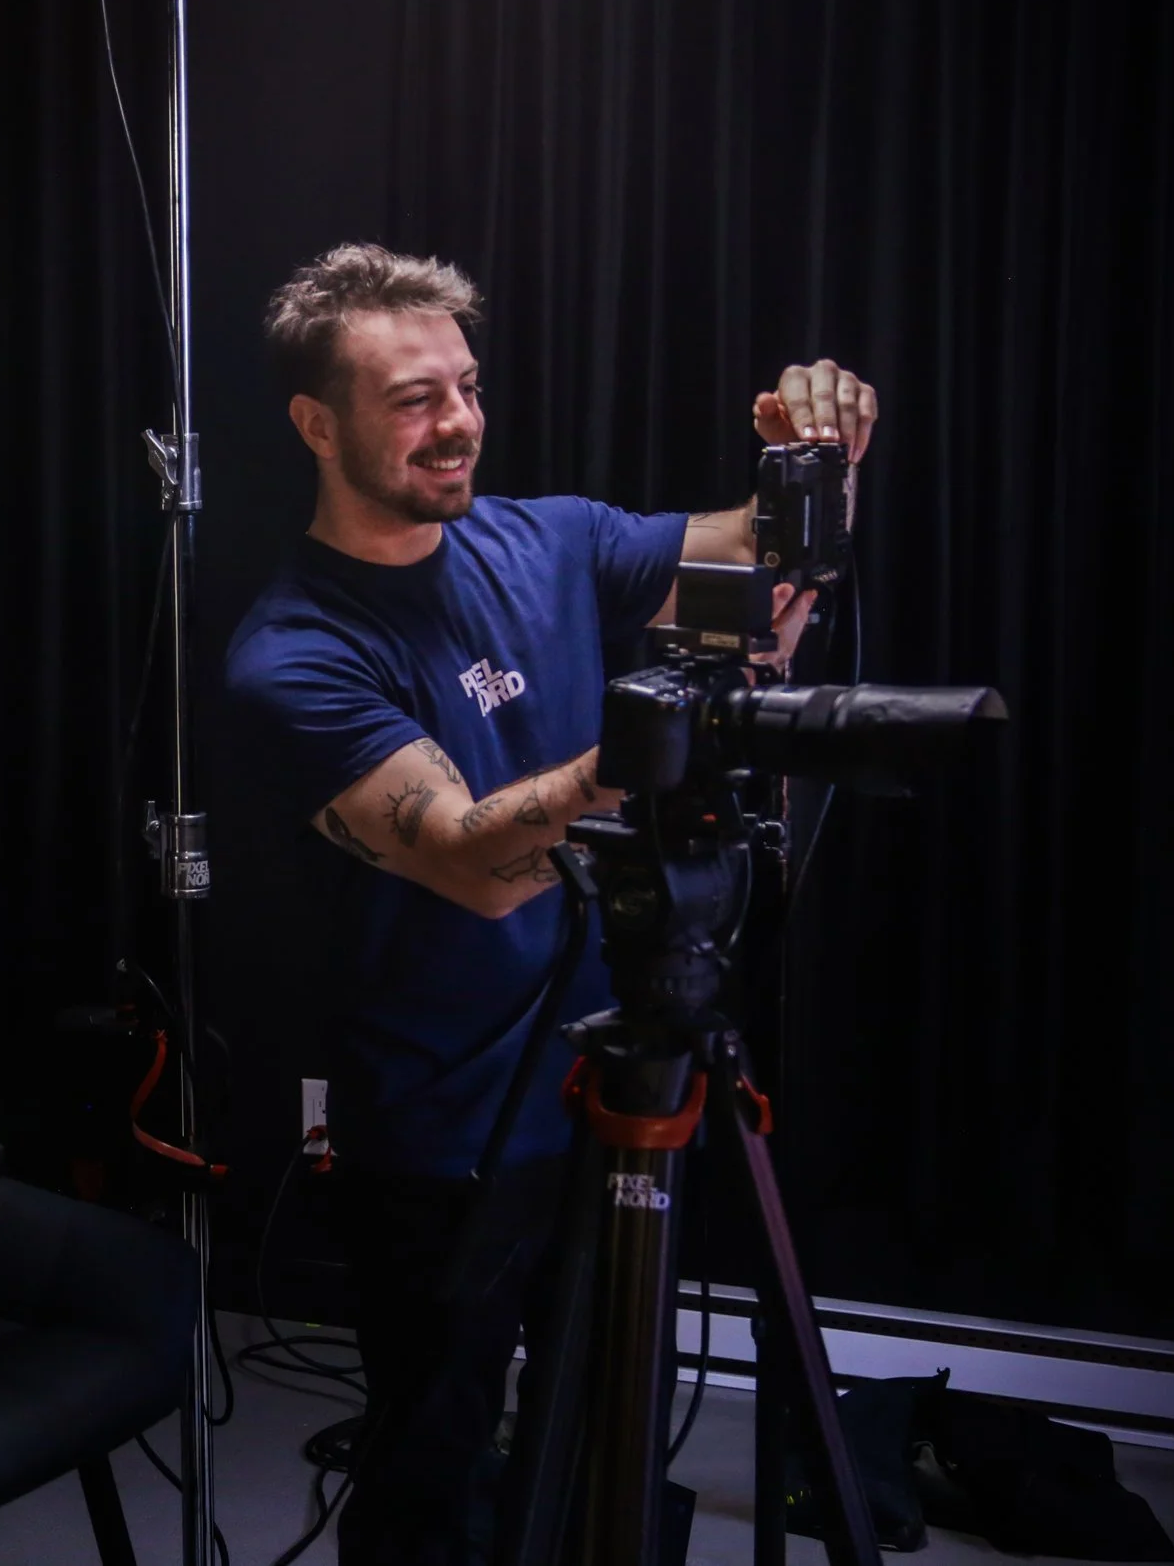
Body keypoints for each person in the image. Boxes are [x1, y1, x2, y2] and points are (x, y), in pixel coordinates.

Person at [222, 243, 873, 1566]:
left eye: (464, 386)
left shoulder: (548, 536)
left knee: (601, 1414)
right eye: (412, 398)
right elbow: (465, 857)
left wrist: (824, 460)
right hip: (441, 1125)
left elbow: (748, 558)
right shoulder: (293, 651)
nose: (456, 421)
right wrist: (646, 739)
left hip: (612, 1066)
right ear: (316, 421)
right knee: (436, 1451)